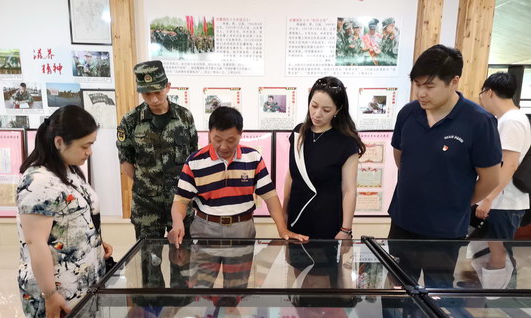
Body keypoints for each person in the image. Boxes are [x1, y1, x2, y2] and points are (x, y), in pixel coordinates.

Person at [16, 105, 113, 318]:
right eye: (85, 145)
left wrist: (94, 243)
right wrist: (50, 295)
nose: (89, 152)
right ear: (60, 141)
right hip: (57, 291)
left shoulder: (67, 170)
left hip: (81, 286)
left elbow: (70, 221)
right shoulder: (39, 181)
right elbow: (36, 242)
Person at [388, 44, 502, 287]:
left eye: (429, 86)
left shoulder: (478, 121)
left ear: (454, 82)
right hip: (403, 221)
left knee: (438, 290)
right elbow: (401, 159)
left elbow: (491, 178)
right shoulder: (408, 114)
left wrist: (459, 201)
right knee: (397, 287)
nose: (421, 93)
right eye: (417, 84)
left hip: (444, 229)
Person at [168, 107, 307, 285]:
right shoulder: (195, 161)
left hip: (242, 229)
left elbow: (270, 196)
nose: (223, 146)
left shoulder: (253, 158)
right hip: (205, 230)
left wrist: (282, 229)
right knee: (201, 286)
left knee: (237, 286)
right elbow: (180, 201)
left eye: (231, 140)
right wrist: (177, 223)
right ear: (209, 133)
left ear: (240, 134)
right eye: (217, 139)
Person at [116, 60, 198, 288]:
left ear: (167, 86)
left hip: (180, 204)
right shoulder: (130, 121)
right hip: (146, 204)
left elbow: (193, 159)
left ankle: (180, 302)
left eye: (157, 92)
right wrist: (148, 184)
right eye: (146, 94)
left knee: (182, 255)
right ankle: (154, 304)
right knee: (149, 260)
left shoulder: (184, 117)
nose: (153, 99)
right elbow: (126, 162)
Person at [284, 76, 364, 240]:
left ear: (338, 110)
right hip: (297, 218)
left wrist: (346, 229)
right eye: (314, 106)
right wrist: (284, 211)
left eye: (326, 110)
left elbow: (349, 190)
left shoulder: (346, 142)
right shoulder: (299, 133)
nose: (317, 114)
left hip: (327, 222)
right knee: (294, 256)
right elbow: (292, 174)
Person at [473, 72, 531, 279]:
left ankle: (496, 295)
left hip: (504, 202)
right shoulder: (506, 119)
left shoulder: (512, 121)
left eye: (481, 94)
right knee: (487, 250)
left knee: (498, 253)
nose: (481, 99)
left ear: (489, 92)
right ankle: (489, 291)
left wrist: (488, 198)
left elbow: (510, 164)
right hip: (501, 200)